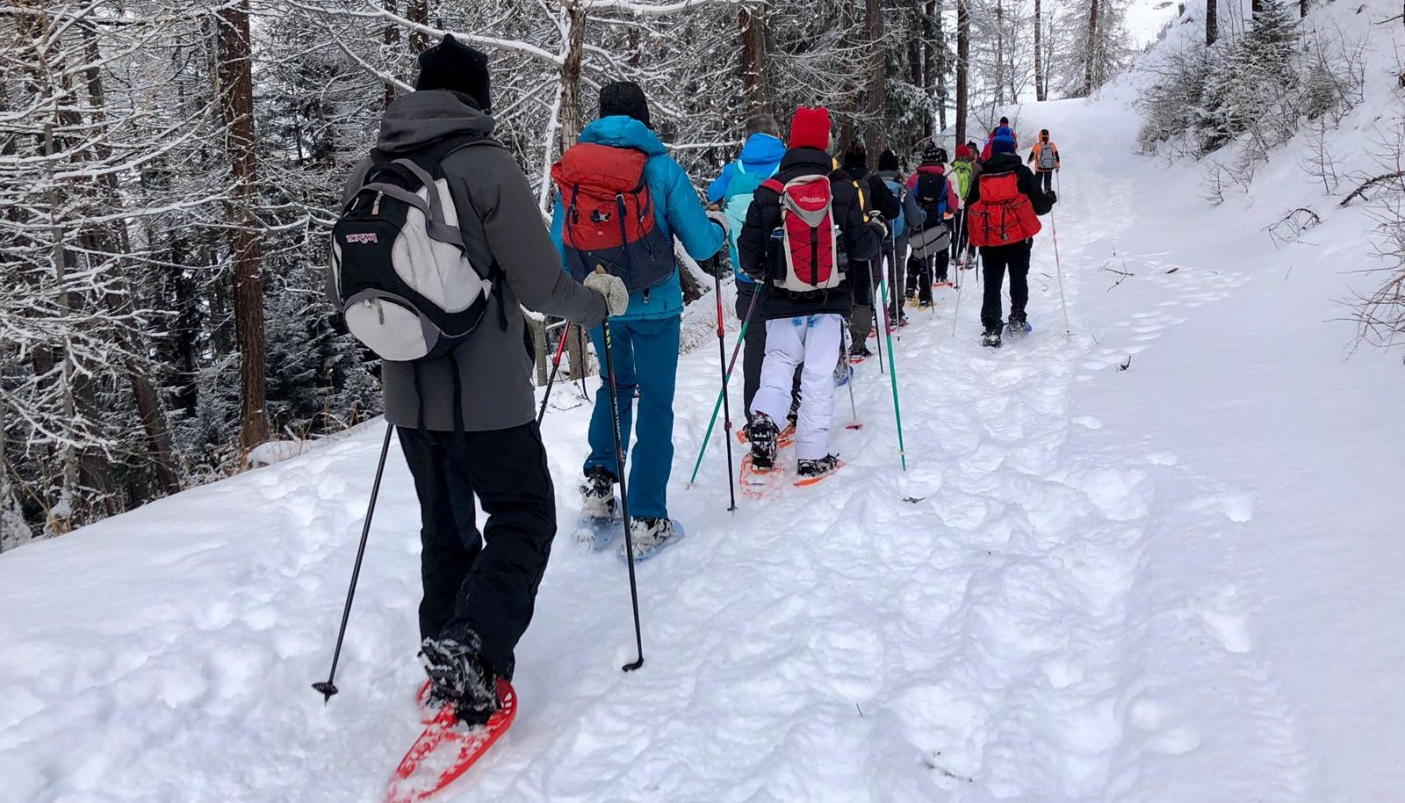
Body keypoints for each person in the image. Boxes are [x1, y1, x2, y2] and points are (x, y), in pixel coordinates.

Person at [334, 36, 629, 725]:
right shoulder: (485, 165)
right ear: (479, 97)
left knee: (445, 532)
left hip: (406, 395)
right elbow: (539, 286)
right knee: (524, 514)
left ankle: (444, 645)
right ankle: (474, 645)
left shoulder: (368, 170)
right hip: (488, 397)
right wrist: (596, 303)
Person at [550, 81, 725, 556]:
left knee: (614, 388)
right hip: (656, 306)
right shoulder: (661, 169)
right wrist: (720, 227)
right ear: (644, 119)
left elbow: (556, 249)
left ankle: (601, 486)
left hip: (600, 305)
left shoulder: (575, 172)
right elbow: (703, 245)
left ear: (599, 118)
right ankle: (647, 516)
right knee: (655, 403)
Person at [737, 106, 883, 479]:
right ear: (825, 142)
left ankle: (765, 421)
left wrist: (769, 275)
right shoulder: (842, 190)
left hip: (781, 304)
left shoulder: (769, 192)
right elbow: (863, 248)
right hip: (829, 304)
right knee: (817, 377)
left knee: (778, 366)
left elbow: (748, 256)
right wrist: (877, 232)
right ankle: (812, 455)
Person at [707, 115, 788, 423]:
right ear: (777, 135)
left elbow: (713, 195)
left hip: (745, 273)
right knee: (785, 345)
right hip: (784, 273)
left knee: (754, 342)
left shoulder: (734, 171)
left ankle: (752, 413)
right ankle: (787, 407)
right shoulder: (785, 167)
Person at [964, 130, 1056, 348]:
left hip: (990, 241)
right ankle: (1016, 319)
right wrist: (1049, 198)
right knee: (1018, 278)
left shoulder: (982, 176)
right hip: (1018, 240)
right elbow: (1040, 207)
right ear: (1012, 150)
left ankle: (992, 328)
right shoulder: (1022, 173)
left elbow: (970, 207)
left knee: (992, 282)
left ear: (993, 152)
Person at [840, 143, 899, 356]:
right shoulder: (872, 181)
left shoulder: (838, 181)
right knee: (863, 293)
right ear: (865, 159)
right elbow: (893, 209)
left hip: (839, 245)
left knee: (842, 292)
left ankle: (838, 343)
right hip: (865, 244)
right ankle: (858, 343)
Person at [905, 144, 960, 307]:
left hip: (916, 223)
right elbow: (953, 206)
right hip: (935, 224)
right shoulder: (944, 181)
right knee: (927, 256)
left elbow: (907, 198)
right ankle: (925, 295)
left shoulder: (914, 179)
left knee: (916, 252)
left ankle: (910, 283)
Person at [876, 148, 925, 325]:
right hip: (899, 237)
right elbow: (913, 217)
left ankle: (867, 312)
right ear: (896, 167)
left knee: (874, 276)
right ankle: (896, 312)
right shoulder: (903, 189)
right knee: (896, 275)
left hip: (877, 237)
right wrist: (922, 215)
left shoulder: (872, 185)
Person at [949, 144, 978, 268]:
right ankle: (970, 253)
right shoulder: (974, 168)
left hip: (955, 204)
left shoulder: (951, 168)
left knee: (956, 230)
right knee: (970, 230)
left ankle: (955, 254)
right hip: (970, 203)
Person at [1027, 129, 1061, 193]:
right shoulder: (1052, 145)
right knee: (1048, 182)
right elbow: (1056, 156)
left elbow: (1033, 155)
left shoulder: (1037, 146)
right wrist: (1057, 166)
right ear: (1048, 136)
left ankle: (1037, 193)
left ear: (1040, 136)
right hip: (1049, 167)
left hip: (1039, 168)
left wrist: (1029, 161)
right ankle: (1047, 192)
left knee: (1037, 182)